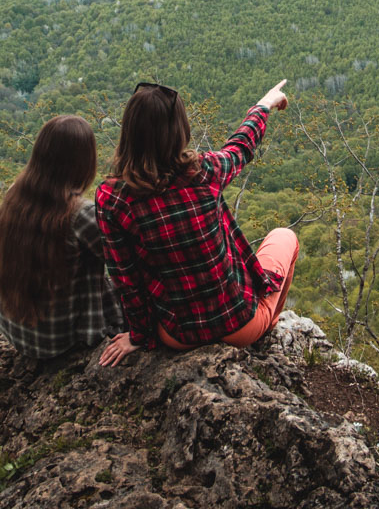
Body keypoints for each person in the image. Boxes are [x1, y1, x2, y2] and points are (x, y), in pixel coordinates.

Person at [95, 80, 298, 367]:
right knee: (285, 236)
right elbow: (241, 147)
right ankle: (268, 323)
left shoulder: (113, 198)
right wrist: (263, 105)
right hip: (239, 326)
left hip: (177, 334)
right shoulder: (204, 172)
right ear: (180, 131)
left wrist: (138, 336)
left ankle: (261, 322)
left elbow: (126, 280)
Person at [0, 114, 125, 358]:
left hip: (16, 330)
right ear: (83, 162)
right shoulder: (79, 214)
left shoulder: (15, 195)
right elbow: (126, 257)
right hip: (61, 340)